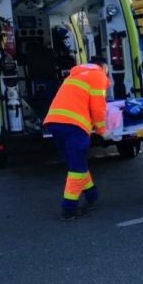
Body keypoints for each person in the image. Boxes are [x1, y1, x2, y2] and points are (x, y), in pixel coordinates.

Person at [43, 56, 111, 220]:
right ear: (102, 67)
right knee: (77, 169)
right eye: (107, 71)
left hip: (54, 122)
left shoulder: (75, 75)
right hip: (74, 125)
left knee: (77, 163)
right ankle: (69, 209)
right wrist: (102, 130)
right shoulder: (98, 75)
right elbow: (98, 107)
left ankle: (92, 195)